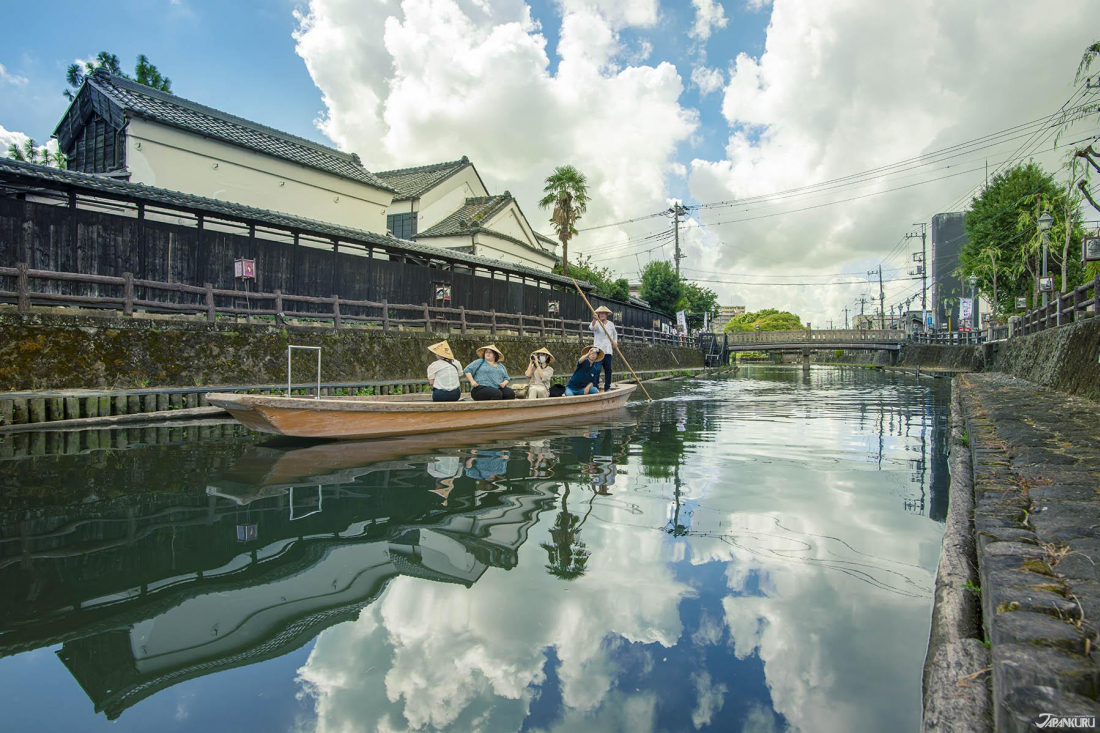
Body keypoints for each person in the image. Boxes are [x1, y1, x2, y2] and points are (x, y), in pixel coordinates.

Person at [589, 306, 617, 392]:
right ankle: (595, 388)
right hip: (598, 351)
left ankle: (607, 387)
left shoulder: (611, 324)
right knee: (597, 369)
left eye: (603, 313)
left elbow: (615, 334)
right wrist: (594, 319)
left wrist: (615, 342)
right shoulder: (597, 323)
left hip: (608, 350)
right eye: (600, 313)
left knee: (608, 369)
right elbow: (591, 328)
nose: (601, 315)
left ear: (606, 314)